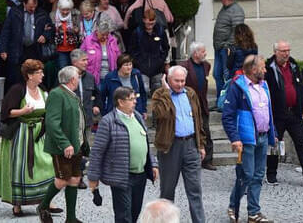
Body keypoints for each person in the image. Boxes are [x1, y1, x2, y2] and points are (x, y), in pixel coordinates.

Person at [0, 59, 62, 217]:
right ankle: (17, 204)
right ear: (30, 75)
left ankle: (46, 201)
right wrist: (23, 111)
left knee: (47, 165)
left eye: (42, 72)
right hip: (22, 133)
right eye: (39, 72)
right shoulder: (18, 90)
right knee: (21, 168)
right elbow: (6, 112)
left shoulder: (43, 90)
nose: (42, 75)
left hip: (40, 134)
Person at [88, 86, 159, 223]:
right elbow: (97, 151)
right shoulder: (108, 121)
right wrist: (93, 177)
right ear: (120, 102)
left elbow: (145, 143)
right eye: (131, 99)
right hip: (121, 175)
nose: (135, 102)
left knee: (134, 212)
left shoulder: (137, 116)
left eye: (135, 99)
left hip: (140, 174)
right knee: (123, 215)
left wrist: (153, 164)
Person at [222, 55, 276, 223]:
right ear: (253, 70)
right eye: (263, 67)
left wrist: (272, 132)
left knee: (259, 175)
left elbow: (268, 111)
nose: (265, 70)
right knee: (246, 175)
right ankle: (233, 206)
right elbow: (228, 116)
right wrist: (234, 138)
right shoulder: (237, 87)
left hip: (263, 136)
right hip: (246, 139)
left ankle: (254, 212)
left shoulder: (264, 85)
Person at [265, 40, 303, 187]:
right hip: (277, 113)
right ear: (275, 52)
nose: (286, 54)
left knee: (302, 142)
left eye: (288, 50)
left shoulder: (293, 65)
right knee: (274, 145)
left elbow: (299, 88)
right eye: (283, 51)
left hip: (294, 113)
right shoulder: (268, 68)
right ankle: (271, 175)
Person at [152, 65, 206, 223]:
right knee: (167, 190)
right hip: (170, 146)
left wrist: (201, 144)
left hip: (191, 145)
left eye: (183, 80)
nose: (181, 84)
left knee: (195, 189)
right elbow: (160, 114)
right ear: (168, 80)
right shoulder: (159, 95)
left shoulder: (190, 93)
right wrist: (166, 93)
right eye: (177, 81)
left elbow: (198, 120)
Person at [37, 66, 88, 223]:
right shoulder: (57, 94)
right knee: (62, 180)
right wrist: (65, 143)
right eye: (78, 77)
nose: (79, 79)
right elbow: (52, 123)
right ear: (72, 79)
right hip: (63, 147)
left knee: (74, 179)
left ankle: (71, 218)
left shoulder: (72, 95)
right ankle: (43, 206)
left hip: (76, 144)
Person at [0, 0, 52, 92]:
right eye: (30, 7)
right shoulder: (14, 12)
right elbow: (6, 30)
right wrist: (3, 49)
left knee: (35, 74)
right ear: (24, 3)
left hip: (35, 49)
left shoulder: (42, 13)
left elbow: (50, 28)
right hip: (17, 48)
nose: (33, 9)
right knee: (16, 76)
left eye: (34, 7)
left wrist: (45, 35)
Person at [180, 42, 215, 170]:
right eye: (203, 51)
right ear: (195, 53)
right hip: (189, 105)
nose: (205, 53)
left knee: (206, 132)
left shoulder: (206, 65)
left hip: (202, 104)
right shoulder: (184, 67)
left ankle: (208, 160)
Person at [71, 49, 102, 189]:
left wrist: (96, 105)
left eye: (86, 60)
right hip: (72, 121)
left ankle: (80, 176)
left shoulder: (89, 77)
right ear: (74, 62)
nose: (86, 62)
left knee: (85, 150)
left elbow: (98, 94)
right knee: (73, 149)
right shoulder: (65, 76)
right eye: (83, 60)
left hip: (87, 120)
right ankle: (69, 175)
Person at [212, 0, 244, 103]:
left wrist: (227, 45)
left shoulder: (236, 10)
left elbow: (237, 31)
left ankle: (227, 102)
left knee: (227, 76)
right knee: (217, 74)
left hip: (226, 49)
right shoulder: (225, 8)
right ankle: (220, 101)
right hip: (219, 48)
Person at [130, 9, 169, 95]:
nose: (150, 26)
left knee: (158, 93)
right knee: (144, 90)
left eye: (152, 23)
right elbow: (132, 49)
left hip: (158, 68)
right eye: (148, 23)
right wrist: (138, 61)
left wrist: (161, 60)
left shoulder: (160, 31)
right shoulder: (137, 32)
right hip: (142, 68)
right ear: (143, 20)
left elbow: (166, 48)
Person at [101, 54, 147, 118]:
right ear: (119, 66)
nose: (129, 67)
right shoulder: (110, 77)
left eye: (130, 64)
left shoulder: (136, 74)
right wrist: (104, 113)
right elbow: (102, 96)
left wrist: (143, 110)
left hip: (135, 112)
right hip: (115, 114)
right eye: (126, 65)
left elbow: (142, 93)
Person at [80, 20, 121, 86]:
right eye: (102, 35)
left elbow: (119, 57)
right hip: (93, 78)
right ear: (97, 32)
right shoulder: (88, 40)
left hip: (111, 77)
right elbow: (80, 57)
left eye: (107, 35)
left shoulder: (113, 40)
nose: (105, 37)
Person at [53, 0, 81, 70]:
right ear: (59, 8)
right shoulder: (54, 16)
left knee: (74, 70)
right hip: (60, 50)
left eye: (68, 10)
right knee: (63, 70)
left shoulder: (75, 16)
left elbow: (81, 29)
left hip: (73, 48)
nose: (65, 12)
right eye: (63, 10)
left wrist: (78, 30)